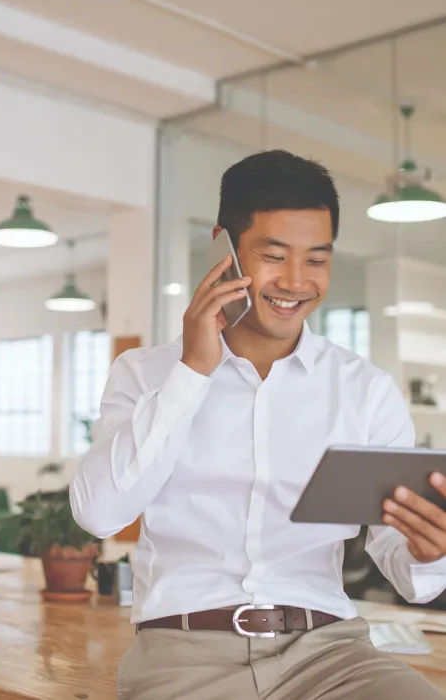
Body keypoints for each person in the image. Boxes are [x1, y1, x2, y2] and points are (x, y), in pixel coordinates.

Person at [70, 150, 446, 700]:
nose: (296, 282)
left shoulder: (365, 390)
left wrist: (429, 550)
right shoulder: (144, 373)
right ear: (223, 246)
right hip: (184, 655)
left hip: (329, 655)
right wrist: (193, 371)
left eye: (317, 260)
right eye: (273, 256)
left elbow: (407, 574)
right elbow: (99, 515)